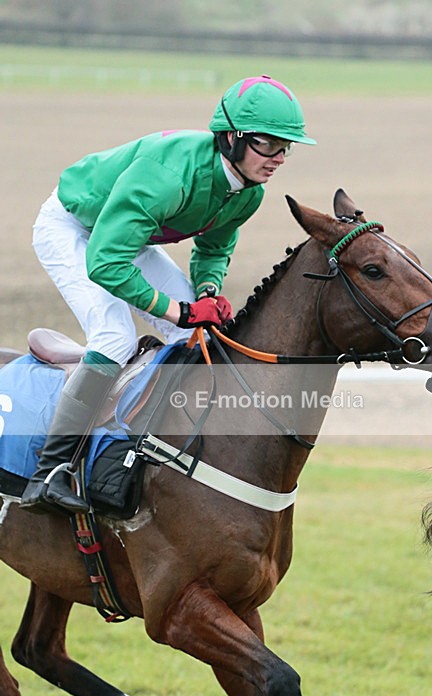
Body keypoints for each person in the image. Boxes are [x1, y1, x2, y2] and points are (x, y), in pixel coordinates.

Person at [20, 74, 316, 515]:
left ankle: (151, 450)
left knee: (201, 337)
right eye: (267, 144)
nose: (278, 158)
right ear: (232, 139)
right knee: (114, 337)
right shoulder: (168, 175)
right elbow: (105, 263)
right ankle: (51, 471)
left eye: (285, 147)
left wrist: (209, 293)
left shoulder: (247, 194)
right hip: (74, 228)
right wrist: (177, 309)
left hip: (128, 238)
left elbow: (214, 248)